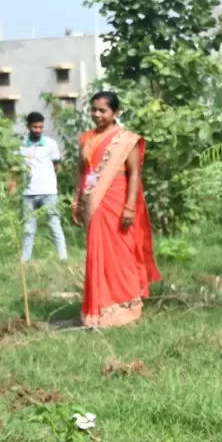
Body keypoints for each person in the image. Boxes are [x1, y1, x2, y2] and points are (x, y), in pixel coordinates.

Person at [72, 91, 159, 329]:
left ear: (115, 113)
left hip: (117, 200)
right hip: (92, 202)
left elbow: (134, 175)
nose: (97, 114)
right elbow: (82, 171)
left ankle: (124, 306)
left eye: (103, 110)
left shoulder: (125, 139)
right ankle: (97, 310)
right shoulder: (86, 138)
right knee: (96, 252)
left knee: (120, 252)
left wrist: (130, 207)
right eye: (94, 110)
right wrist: (76, 198)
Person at [14, 112, 68, 264]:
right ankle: (25, 260)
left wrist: (52, 182)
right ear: (28, 127)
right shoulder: (21, 144)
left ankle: (63, 258)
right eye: (35, 127)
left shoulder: (51, 144)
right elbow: (15, 168)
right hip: (28, 192)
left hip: (48, 192)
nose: (38, 130)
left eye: (40, 127)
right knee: (28, 228)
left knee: (54, 224)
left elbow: (57, 166)